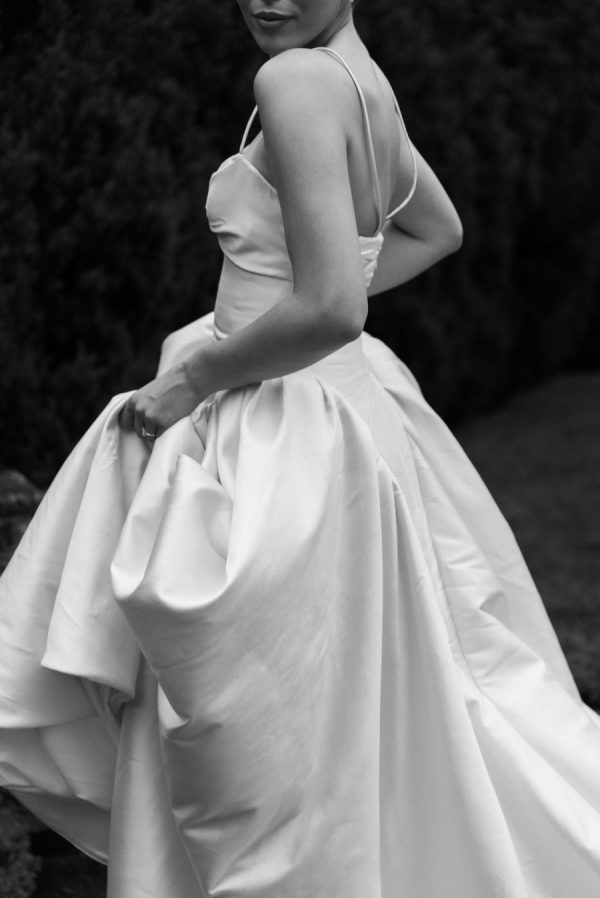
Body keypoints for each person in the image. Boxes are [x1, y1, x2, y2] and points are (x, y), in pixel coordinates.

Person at [1, 1, 600, 896]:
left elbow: (332, 308)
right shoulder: (364, 79)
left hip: (284, 435)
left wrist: (196, 376)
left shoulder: (293, 80)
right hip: (347, 413)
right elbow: (435, 231)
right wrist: (280, 309)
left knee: (270, 724)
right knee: (364, 699)